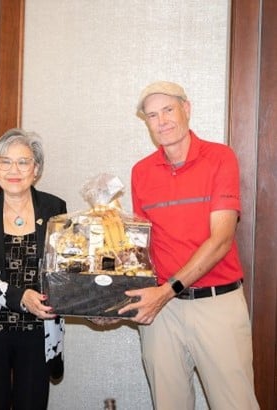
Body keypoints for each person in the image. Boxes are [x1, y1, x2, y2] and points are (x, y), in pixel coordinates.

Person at [119, 81, 259, 409]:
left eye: (168, 109)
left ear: (187, 108)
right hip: (162, 313)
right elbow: (142, 247)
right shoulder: (141, 172)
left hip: (216, 304)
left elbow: (221, 239)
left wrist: (166, 291)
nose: (162, 120)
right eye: (152, 115)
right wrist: (113, 295)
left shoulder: (220, 158)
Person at [0, 128, 67, 410]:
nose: (13, 169)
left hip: (38, 328)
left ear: (36, 168)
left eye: (23, 161)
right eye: (5, 161)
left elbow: (66, 268)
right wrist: (22, 297)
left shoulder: (55, 208)